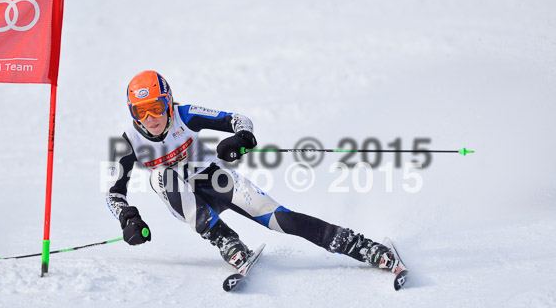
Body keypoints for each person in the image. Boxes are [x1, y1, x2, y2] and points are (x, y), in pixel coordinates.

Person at [106, 70, 395, 271]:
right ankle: (226, 241)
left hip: (214, 178)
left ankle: (360, 246)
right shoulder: (129, 142)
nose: (151, 118)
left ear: (168, 102)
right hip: (183, 198)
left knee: (282, 220)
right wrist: (127, 218)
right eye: (140, 111)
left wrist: (241, 139)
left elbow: (238, 120)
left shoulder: (185, 114)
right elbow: (113, 194)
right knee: (162, 175)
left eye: (155, 107)